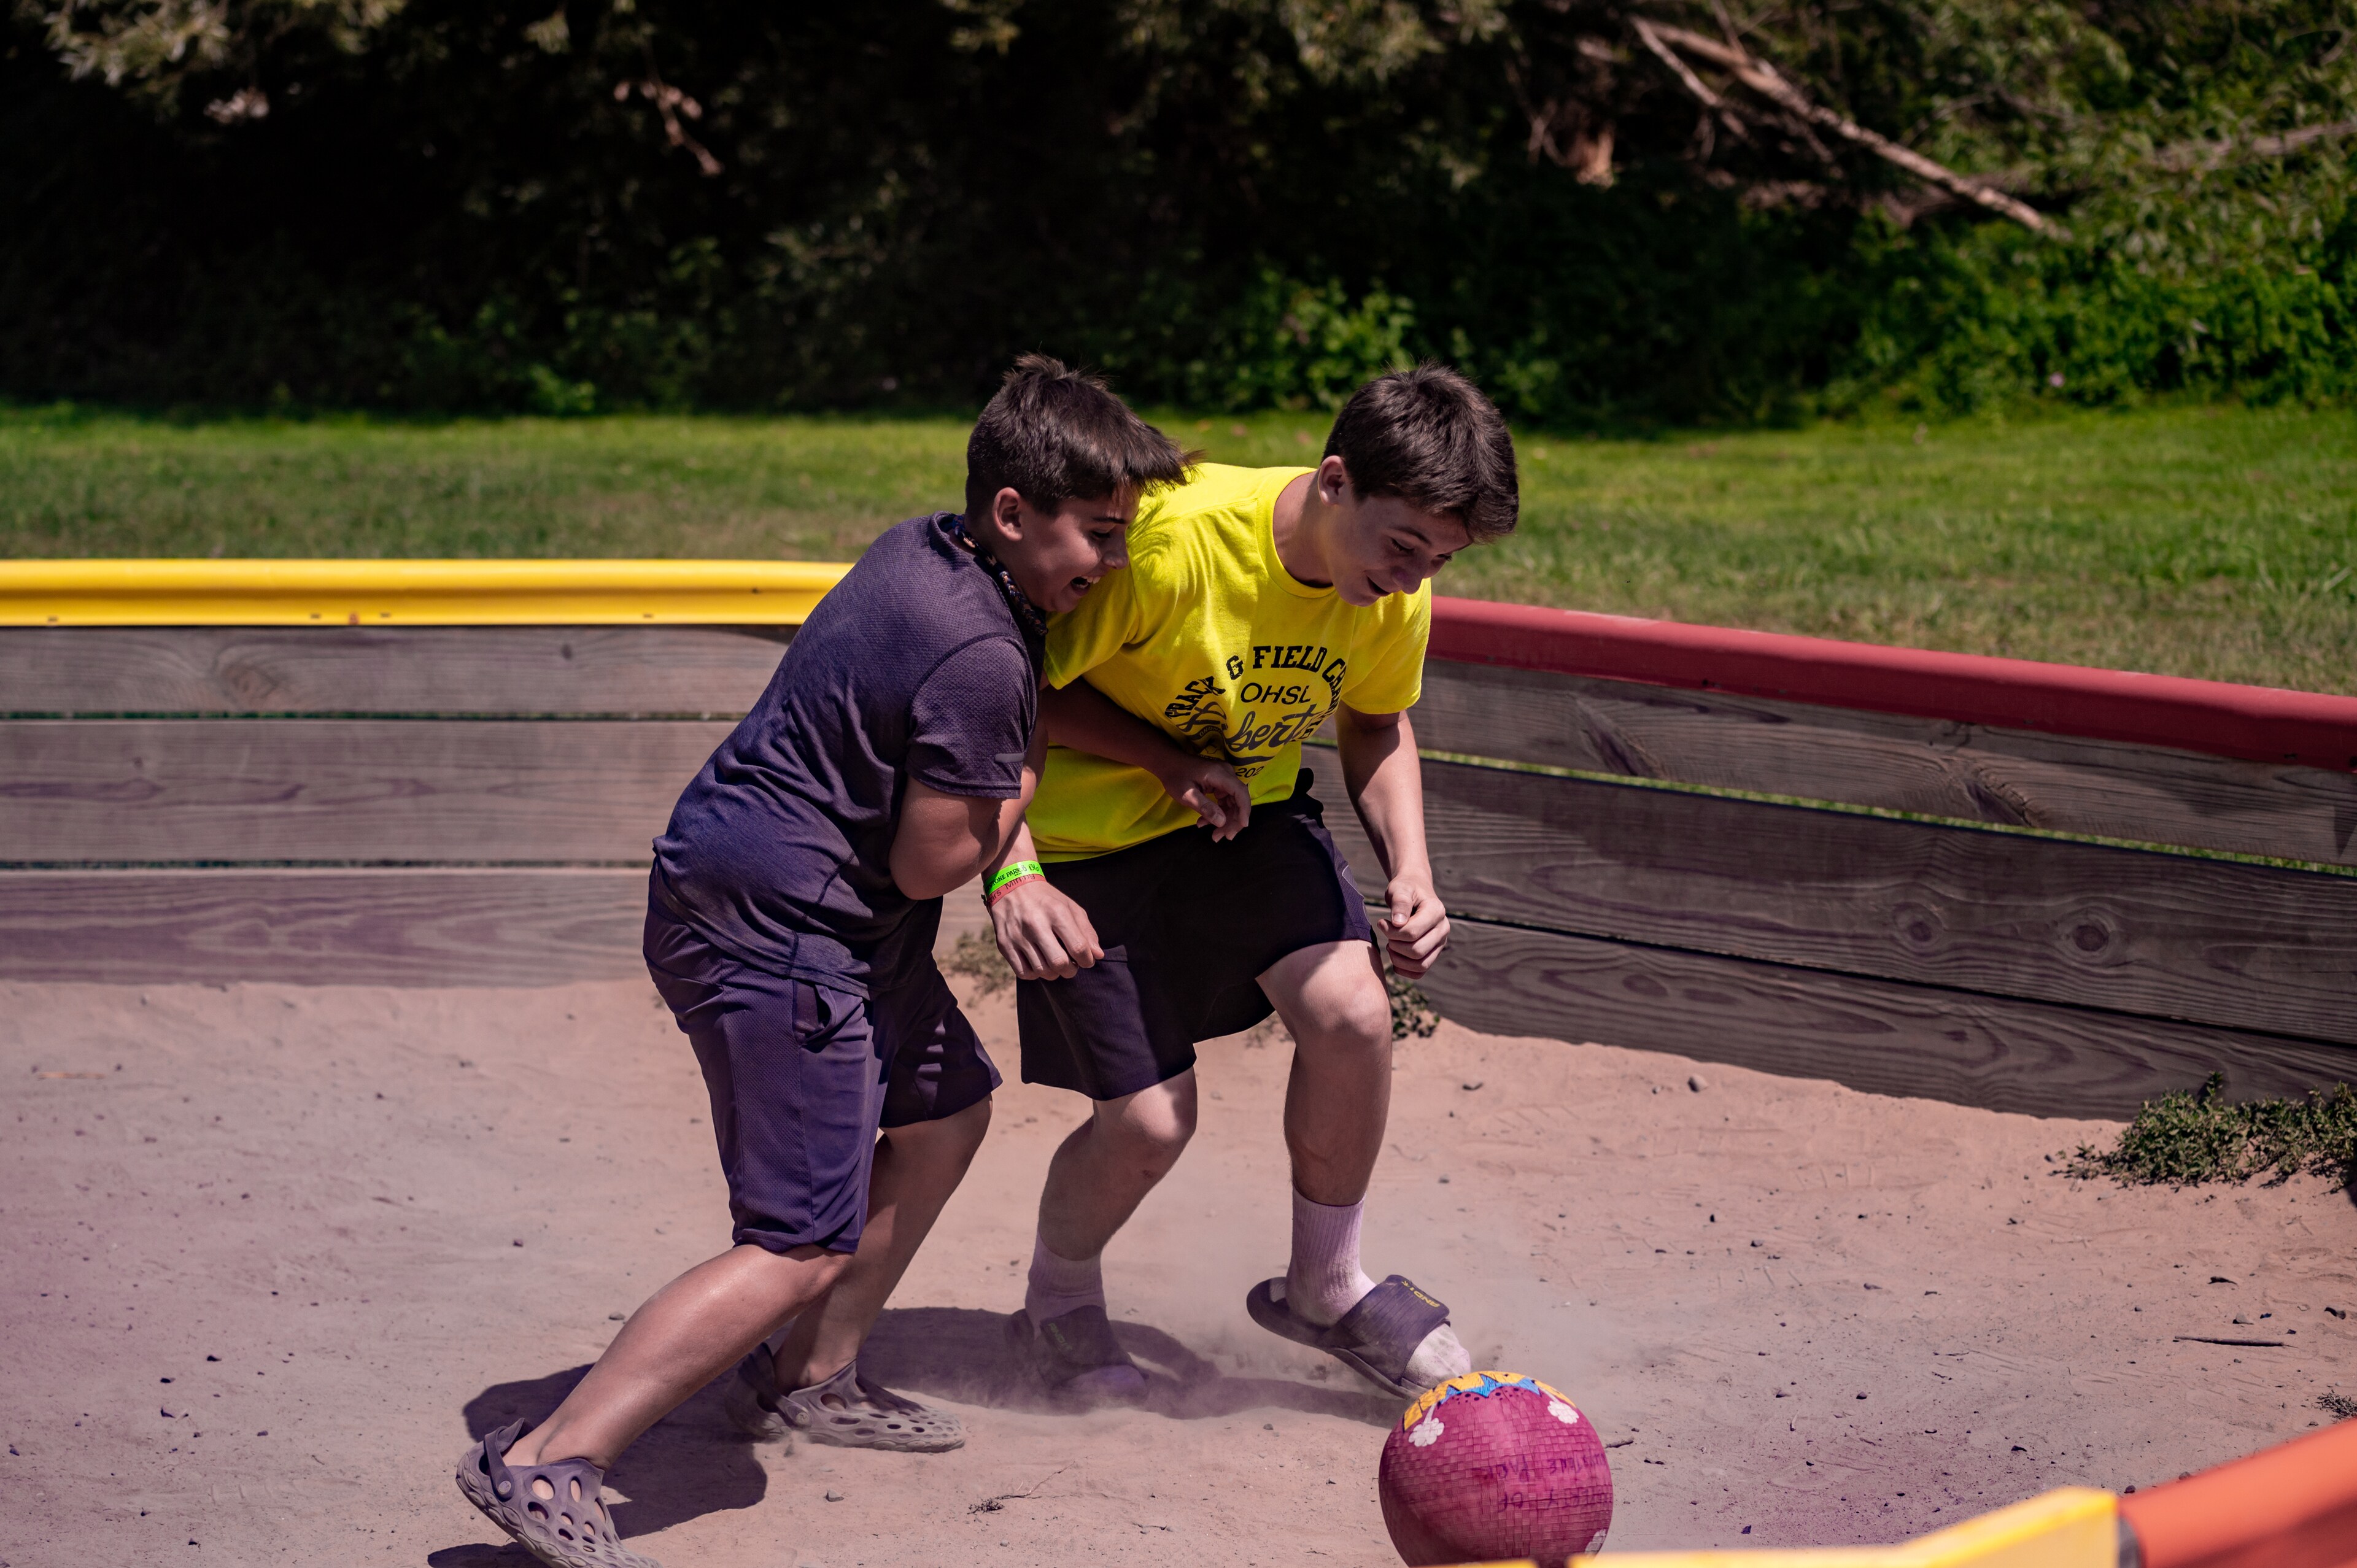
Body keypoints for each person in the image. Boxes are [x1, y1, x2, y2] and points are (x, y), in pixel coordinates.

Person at [453, 356, 1185, 1568]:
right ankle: (545, 1459)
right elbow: (927, 860)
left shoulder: (925, 552)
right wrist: (1016, 838)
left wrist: (1019, 785)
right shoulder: (984, 654)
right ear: (1012, 513)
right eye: (1096, 536)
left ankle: (811, 1380)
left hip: (797, 905)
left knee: (947, 1111)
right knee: (799, 1239)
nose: (1109, 564)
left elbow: (972, 757)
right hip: (783, 928)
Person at [985, 363, 1520, 1402]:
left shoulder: (1391, 592)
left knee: (1355, 1015)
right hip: (1090, 840)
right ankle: (1055, 1306)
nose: (1413, 579)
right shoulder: (1170, 547)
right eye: (1401, 546)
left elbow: (1374, 722)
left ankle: (1324, 1287)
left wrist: (1413, 869)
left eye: (1439, 560)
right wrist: (1018, 862)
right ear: (1333, 482)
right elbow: (1012, 694)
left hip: (1247, 813)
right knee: (1148, 1124)